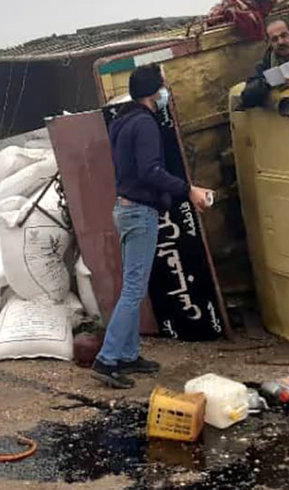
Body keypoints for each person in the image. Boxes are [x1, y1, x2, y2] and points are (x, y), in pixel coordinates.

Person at [91, 64, 213, 389]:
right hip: (139, 213)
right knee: (133, 289)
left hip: (126, 208)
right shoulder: (145, 124)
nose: (165, 93)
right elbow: (150, 171)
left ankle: (128, 355)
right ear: (152, 92)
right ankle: (107, 360)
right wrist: (188, 190)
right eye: (163, 88)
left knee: (136, 286)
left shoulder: (122, 121)